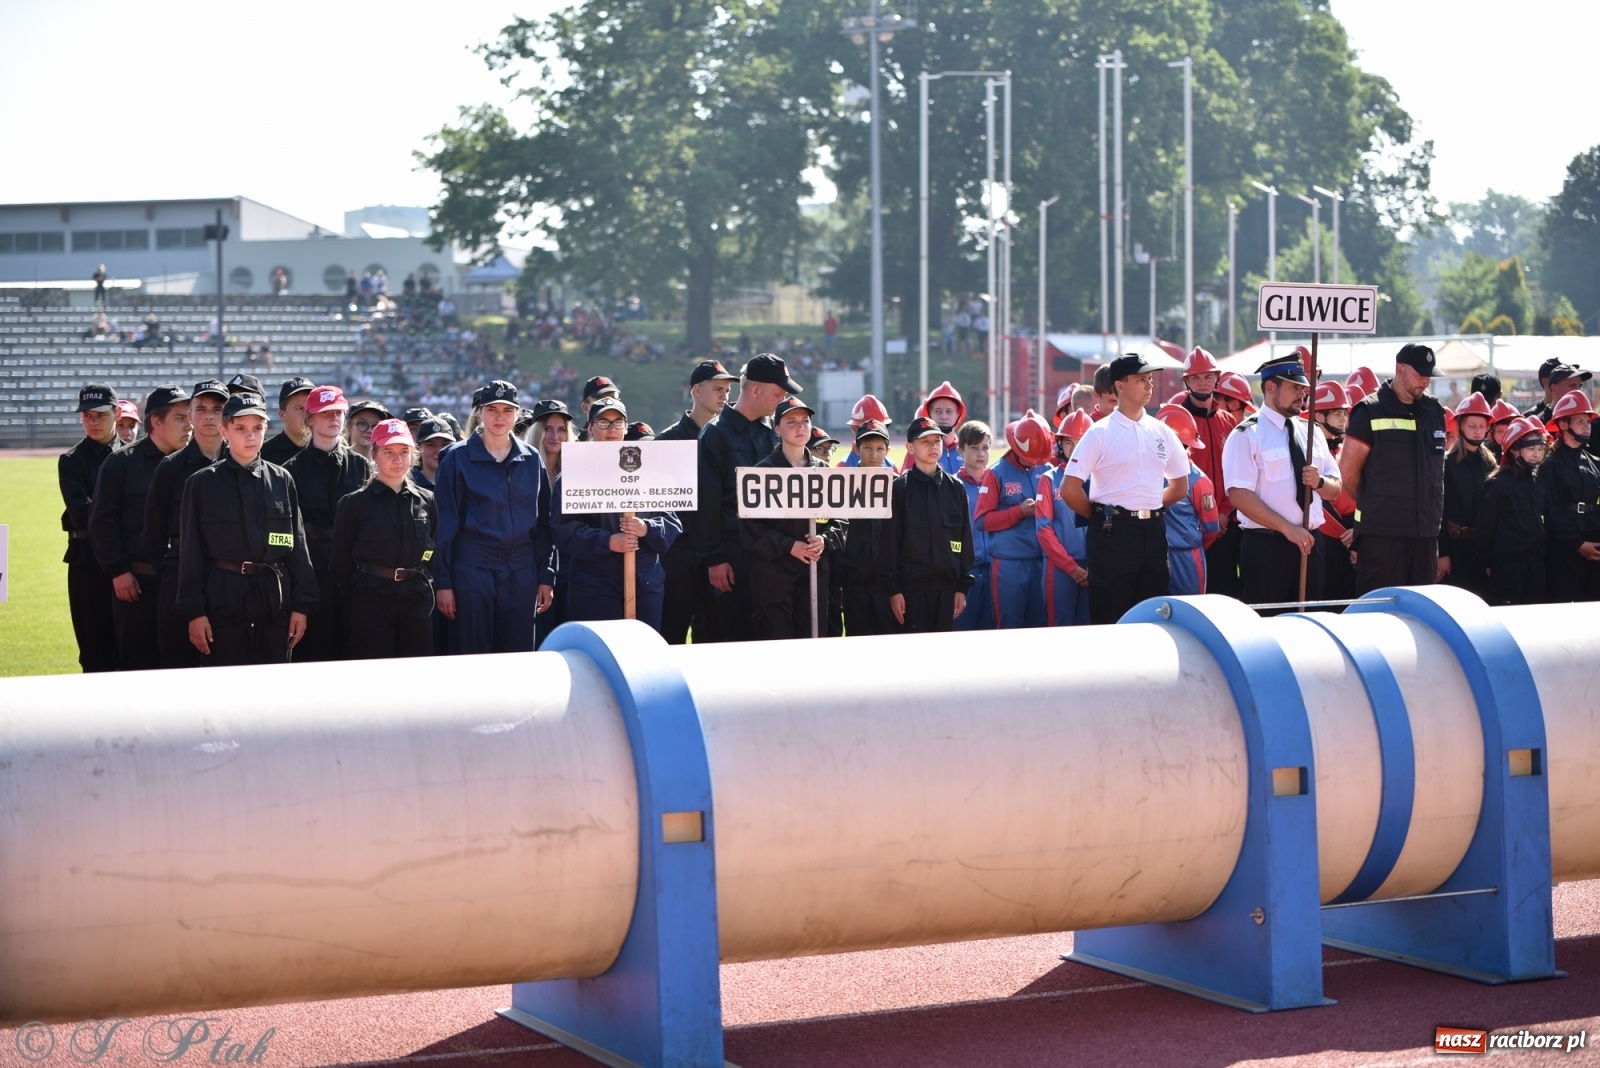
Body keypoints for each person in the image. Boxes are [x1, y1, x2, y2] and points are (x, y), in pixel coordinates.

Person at [175, 393, 317, 666]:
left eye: (257, 428)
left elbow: (297, 547)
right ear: (224, 431)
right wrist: (195, 612)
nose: (250, 436)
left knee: (272, 683)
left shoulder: (282, 479)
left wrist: (302, 606)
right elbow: (191, 553)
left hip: (273, 601)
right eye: (240, 428)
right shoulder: (201, 484)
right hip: (223, 600)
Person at [1060, 354, 1191, 624]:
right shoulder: (1099, 433)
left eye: (1150, 379)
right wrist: (1103, 515)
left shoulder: (1162, 432)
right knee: (1111, 615)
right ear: (1119, 385)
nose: (1149, 384)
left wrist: (1148, 504)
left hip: (1153, 532)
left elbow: (1180, 486)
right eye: (1141, 379)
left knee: (1153, 616)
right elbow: (1069, 489)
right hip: (1112, 534)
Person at [434, 379, 555, 654]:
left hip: (521, 574)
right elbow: (444, 526)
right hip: (472, 572)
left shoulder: (531, 459)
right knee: (472, 655)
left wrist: (545, 575)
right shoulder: (456, 459)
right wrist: (444, 583)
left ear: (517, 414)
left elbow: (544, 523)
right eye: (492, 410)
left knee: (516, 657)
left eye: (507, 410)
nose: (500, 417)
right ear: (480, 413)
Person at [1221, 355, 1342, 609]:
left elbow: (1335, 488)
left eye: (1303, 388)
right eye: (1294, 387)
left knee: (1309, 619)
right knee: (1268, 622)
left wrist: (1319, 481)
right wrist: (1287, 529)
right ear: (1270, 387)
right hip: (1267, 547)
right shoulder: (1247, 434)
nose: (1302, 394)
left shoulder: (1311, 432)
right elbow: (1239, 495)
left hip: (1311, 544)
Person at [551, 398, 681, 631]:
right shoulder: (573, 475)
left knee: (642, 650)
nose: (612, 429)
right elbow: (564, 530)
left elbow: (671, 523)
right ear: (590, 428)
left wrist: (647, 528)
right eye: (604, 422)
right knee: (601, 648)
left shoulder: (651, 472)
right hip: (595, 585)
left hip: (645, 583)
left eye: (618, 422)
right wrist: (607, 541)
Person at [692, 353, 795, 641]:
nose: (783, 399)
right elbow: (707, 503)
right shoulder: (715, 434)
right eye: (778, 393)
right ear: (755, 390)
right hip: (734, 556)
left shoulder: (773, 432)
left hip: (774, 554)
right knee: (734, 637)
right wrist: (714, 558)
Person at [89, 385, 193, 670]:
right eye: (180, 418)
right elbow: (102, 521)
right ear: (156, 422)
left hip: (184, 586)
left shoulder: (194, 464)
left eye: (189, 418)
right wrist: (118, 570)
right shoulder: (121, 463)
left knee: (182, 667)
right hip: (138, 586)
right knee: (138, 665)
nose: (189, 425)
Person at [1339, 343, 1449, 593]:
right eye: (1420, 374)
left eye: (1429, 375)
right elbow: (1348, 474)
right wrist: (1376, 503)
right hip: (1382, 538)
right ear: (1400, 369)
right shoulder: (1369, 411)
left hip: (1424, 537)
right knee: (1380, 608)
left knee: (1421, 608)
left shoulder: (1434, 411)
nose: (1426, 381)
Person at [328, 420, 438, 659]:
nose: (397, 460)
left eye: (404, 452)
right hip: (370, 600)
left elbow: (432, 552)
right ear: (374, 455)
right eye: (388, 452)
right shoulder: (354, 503)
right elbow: (340, 563)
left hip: (416, 599)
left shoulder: (427, 500)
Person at [742, 396, 847, 639]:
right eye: (791, 422)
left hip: (814, 571)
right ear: (777, 428)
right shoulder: (761, 473)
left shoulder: (824, 472)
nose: (800, 427)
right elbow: (750, 528)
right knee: (776, 638)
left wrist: (825, 540)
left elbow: (841, 520)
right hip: (773, 573)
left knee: (812, 638)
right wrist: (789, 546)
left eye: (805, 421)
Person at [142, 379, 229, 668]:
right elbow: (153, 534)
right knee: (178, 667)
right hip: (179, 579)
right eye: (201, 409)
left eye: (217, 409)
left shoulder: (244, 463)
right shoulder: (171, 467)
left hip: (230, 583)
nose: (209, 416)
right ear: (190, 415)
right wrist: (173, 571)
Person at [283, 386, 374, 662]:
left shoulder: (362, 467)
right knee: (314, 654)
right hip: (311, 574)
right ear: (310, 419)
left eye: (338, 412)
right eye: (325, 413)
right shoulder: (291, 470)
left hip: (353, 576)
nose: (334, 418)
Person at [657, 360, 739, 644]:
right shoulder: (667, 441)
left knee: (716, 634)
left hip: (719, 550)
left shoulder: (729, 438)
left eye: (727, 390)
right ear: (696, 390)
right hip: (679, 552)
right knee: (672, 631)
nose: (724, 396)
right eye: (717, 389)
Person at [880, 416, 974, 633]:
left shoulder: (956, 488)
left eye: (937, 440)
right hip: (910, 592)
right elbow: (890, 544)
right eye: (925, 441)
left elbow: (964, 540)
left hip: (947, 591)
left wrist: (962, 587)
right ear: (910, 447)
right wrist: (893, 590)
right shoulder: (899, 490)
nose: (933, 446)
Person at [59, 383, 121, 672]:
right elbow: (84, 515)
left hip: (130, 560)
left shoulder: (134, 455)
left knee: (132, 647)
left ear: (116, 413)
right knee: (94, 649)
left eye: (100, 415)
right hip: (87, 562)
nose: (93, 422)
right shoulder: (71, 461)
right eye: (87, 416)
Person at [975, 411, 1053, 628]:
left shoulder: (1046, 469)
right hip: (1009, 563)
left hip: (1042, 561)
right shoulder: (996, 473)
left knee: (1039, 626)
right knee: (1009, 626)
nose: (1035, 463)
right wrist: (1019, 511)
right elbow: (982, 521)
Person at [1177, 347, 1240, 596]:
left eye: (1207, 377)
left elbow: (1237, 472)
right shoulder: (1176, 420)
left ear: (1217, 379)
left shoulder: (1228, 421)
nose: (1202, 382)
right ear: (1186, 381)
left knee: (1225, 595)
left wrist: (1222, 513)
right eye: (1195, 378)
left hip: (1226, 525)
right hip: (1189, 527)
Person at [1477, 417, 1548, 606]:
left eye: (1540, 449)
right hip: (1507, 567)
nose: (1536, 454)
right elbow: (1486, 528)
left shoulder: (1538, 483)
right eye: (1531, 449)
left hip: (1535, 566)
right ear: (1514, 449)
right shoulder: (1498, 485)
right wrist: (1487, 563)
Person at [1537, 389, 1600, 602]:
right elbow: (1551, 512)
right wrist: (1578, 544)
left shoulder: (1595, 463)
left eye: (1588, 421)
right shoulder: (1550, 465)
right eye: (1580, 421)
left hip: (1595, 547)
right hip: (1564, 550)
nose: (1587, 425)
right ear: (1563, 424)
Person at [833, 419, 894, 636]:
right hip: (854, 582)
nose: (874, 454)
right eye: (867, 448)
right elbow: (837, 533)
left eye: (879, 448)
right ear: (856, 449)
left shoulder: (897, 485)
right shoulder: (842, 485)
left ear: (887, 450)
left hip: (888, 584)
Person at [1156, 404, 1220, 596]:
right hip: (1154, 556)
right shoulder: (1147, 473)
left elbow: (1211, 529)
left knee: (1189, 607)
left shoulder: (1198, 481)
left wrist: (1189, 544)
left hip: (1187, 558)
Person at [1036, 409, 1092, 627]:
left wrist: (1097, 565)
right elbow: (1044, 530)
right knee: (1059, 630)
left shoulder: (1102, 479)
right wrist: (1071, 568)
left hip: (1095, 568)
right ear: (1060, 444)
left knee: (1092, 630)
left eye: (1081, 442)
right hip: (1059, 568)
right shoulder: (1049, 479)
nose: (1075, 448)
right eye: (1069, 442)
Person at [526, 398, 575, 648]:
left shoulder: (579, 471)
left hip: (571, 567)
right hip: (535, 567)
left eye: (562, 429)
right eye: (548, 429)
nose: (555, 436)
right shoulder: (524, 469)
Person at [1305, 380, 1359, 601]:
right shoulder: (1307, 451)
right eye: (1338, 414)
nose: (1344, 419)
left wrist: (1359, 531)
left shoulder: (1349, 449)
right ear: (1319, 416)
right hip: (1323, 539)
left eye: (1345, 414)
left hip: (1353, 536)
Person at [1439, 392, 1497, 596]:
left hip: (1483, 550)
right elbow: (1440, 512)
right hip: (1456, 551)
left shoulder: (1491, 464)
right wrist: (1442, 553)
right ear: (1459, 426)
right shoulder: (1447, 464)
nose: (1477, 431)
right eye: (1472, 425)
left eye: (1482, 426)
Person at [953, 419, 994, 631]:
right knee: (963, 632)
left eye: (985, 448)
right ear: (961, 450)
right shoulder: (952, 486)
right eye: (974, 448)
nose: (981, 453)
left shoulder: (998, 482)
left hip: (996, 571)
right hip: (966, 576)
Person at [902, 381, 966, 475]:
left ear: (958, 415)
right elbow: (905, 482)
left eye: (949, 411)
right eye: (938, 411)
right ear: (929, 414)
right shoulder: (917, 450)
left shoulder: (967, 448)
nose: (944, 417)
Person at [261, 376, 315, 466]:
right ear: (282, 415)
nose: (307, 414)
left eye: (310, 408)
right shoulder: (263, 454)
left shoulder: (328, 450)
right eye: (300, 409)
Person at [839, 395, 896, 467]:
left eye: (880, 429)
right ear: (854, 428)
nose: (874, 455)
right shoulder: (844, 467)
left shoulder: (891, 467)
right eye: (864, 429)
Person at [412, 417, 455, 491]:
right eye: (431, 445)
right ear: (418, 448)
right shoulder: (409, 484)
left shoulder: (460, 481)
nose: (439, 451)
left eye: (445, 444)